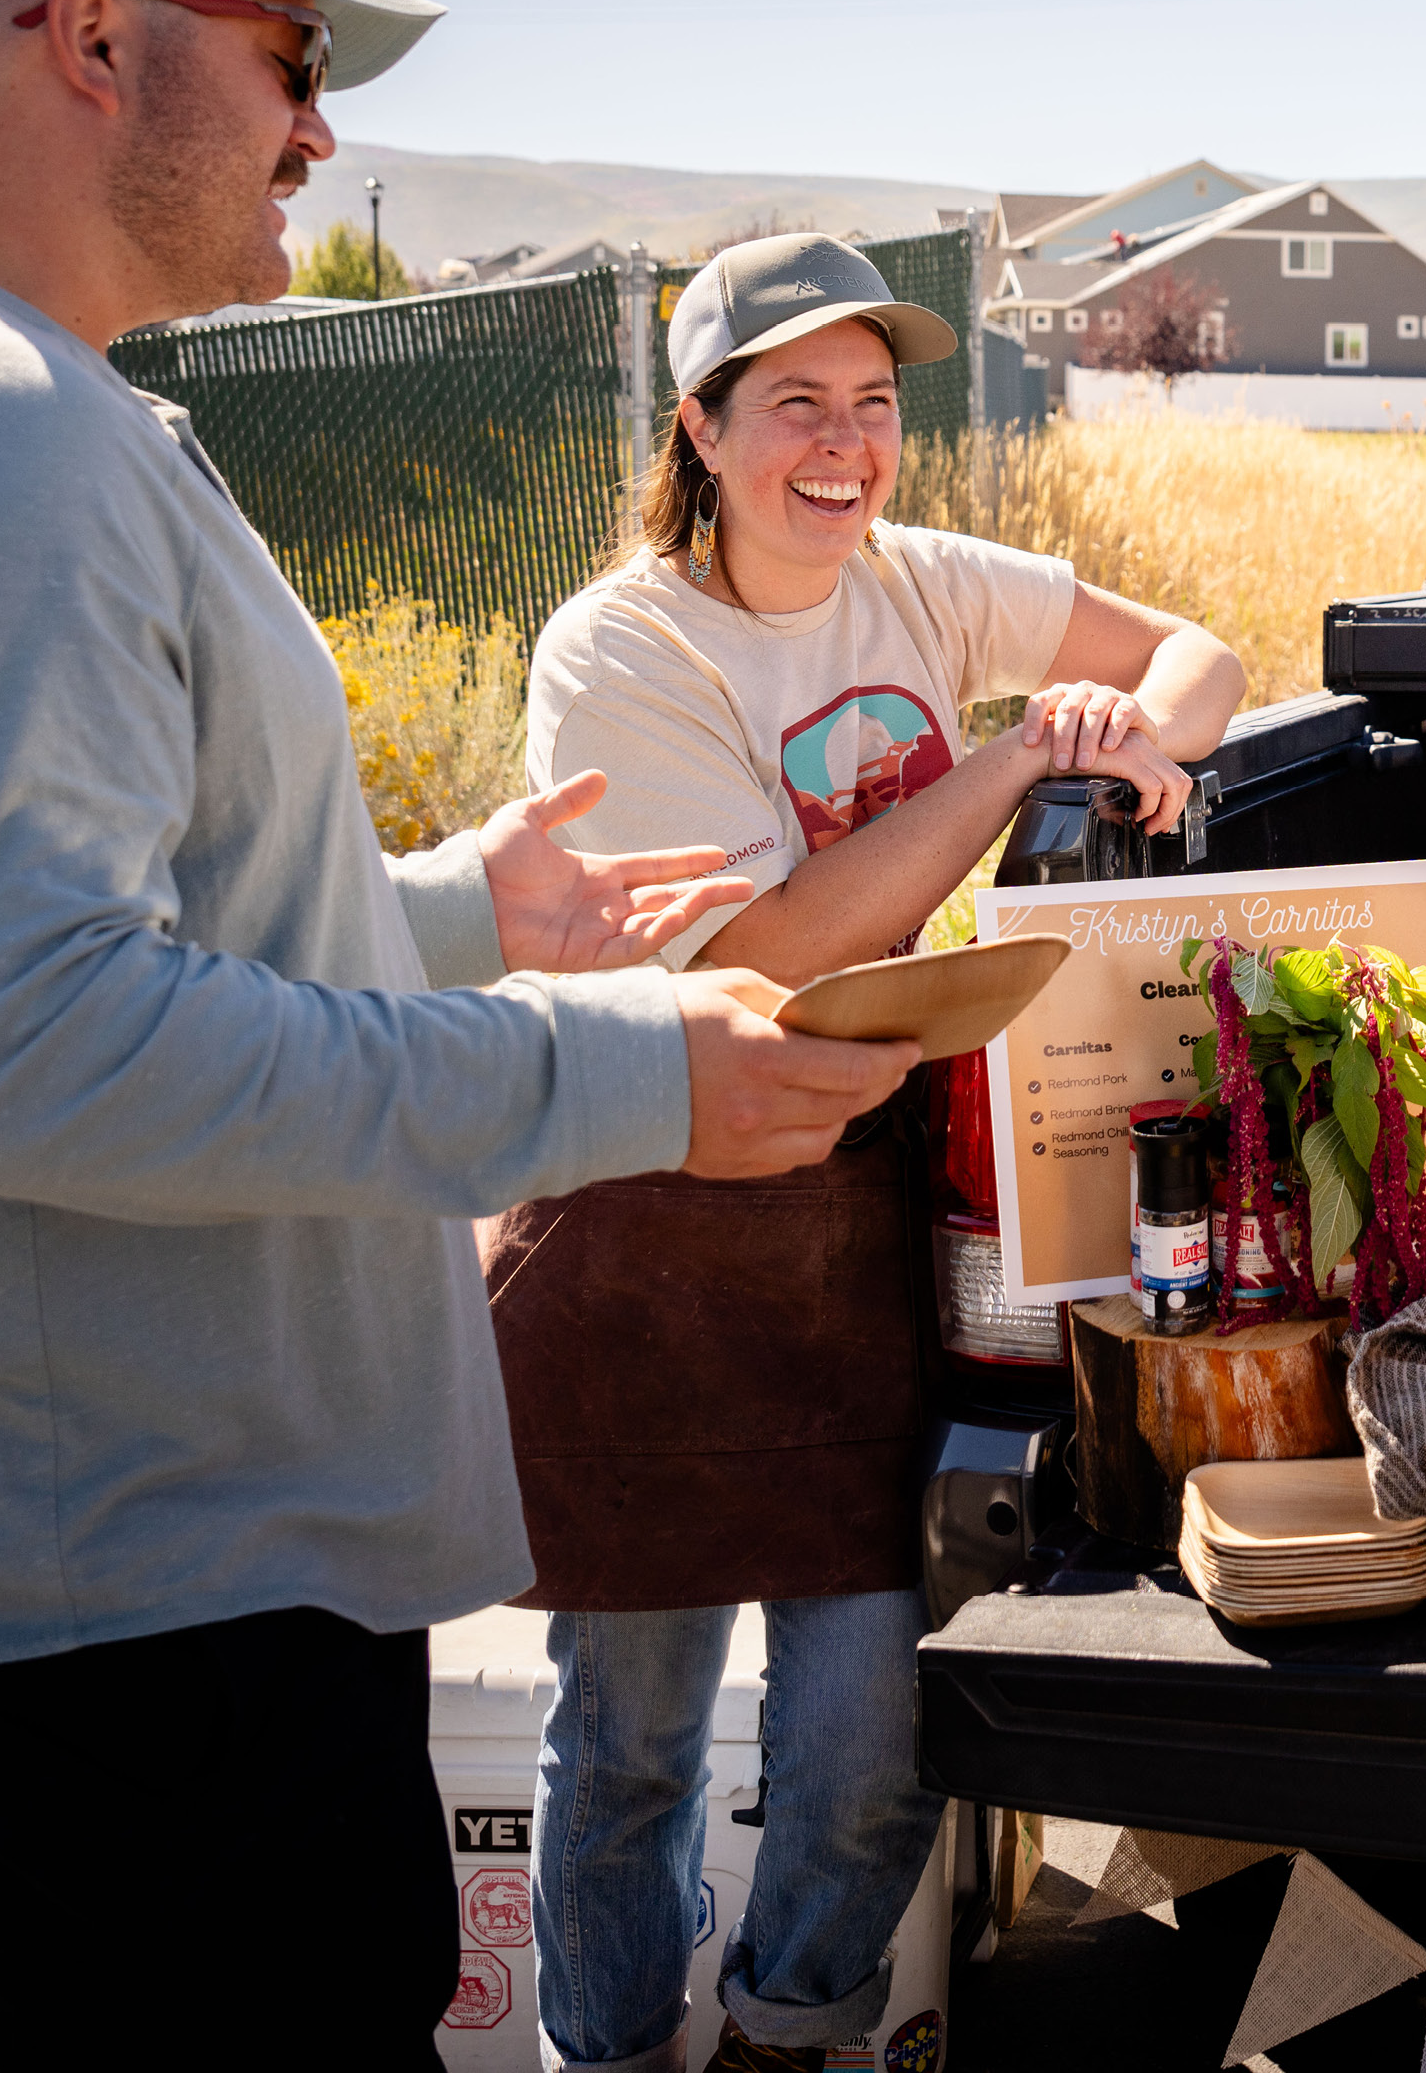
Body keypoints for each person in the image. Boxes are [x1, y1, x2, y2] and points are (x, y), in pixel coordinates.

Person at [0, 0, 924, 2071]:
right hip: (100, 1625)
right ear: (97, 38)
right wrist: (628, 1074)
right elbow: (32, 1048)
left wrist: (433, 920)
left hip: (50, 1596)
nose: (322, 134)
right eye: (296, 60)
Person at [497, 229, 1242, 2073]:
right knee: (635, 1750)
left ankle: (781, 2041)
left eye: (875, 406)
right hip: (653, 1238)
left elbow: (1201, 655)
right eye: (794, 406)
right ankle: (605, 2055)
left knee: (866, 1739)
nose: (843, 447)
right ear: (702, 425)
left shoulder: (921, 582)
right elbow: (757, 961)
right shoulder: (624, 650)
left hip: (869, 1240)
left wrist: (1125, 741)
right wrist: (1006, 768)